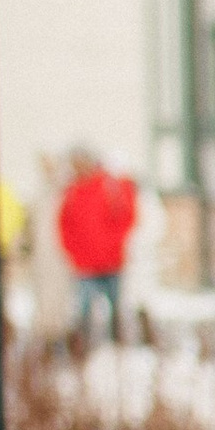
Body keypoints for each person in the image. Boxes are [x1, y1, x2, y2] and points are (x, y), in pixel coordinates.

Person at [56, 148, 138, 349]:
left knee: (116, 309)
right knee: (83, 310)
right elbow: (64, 225)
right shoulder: (72, 191)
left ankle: (118, 349)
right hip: (85, 264)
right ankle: (85, 349)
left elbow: (126, 216)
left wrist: (114, 243)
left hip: (111, 262)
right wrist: (74, 251)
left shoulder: (109, 186)